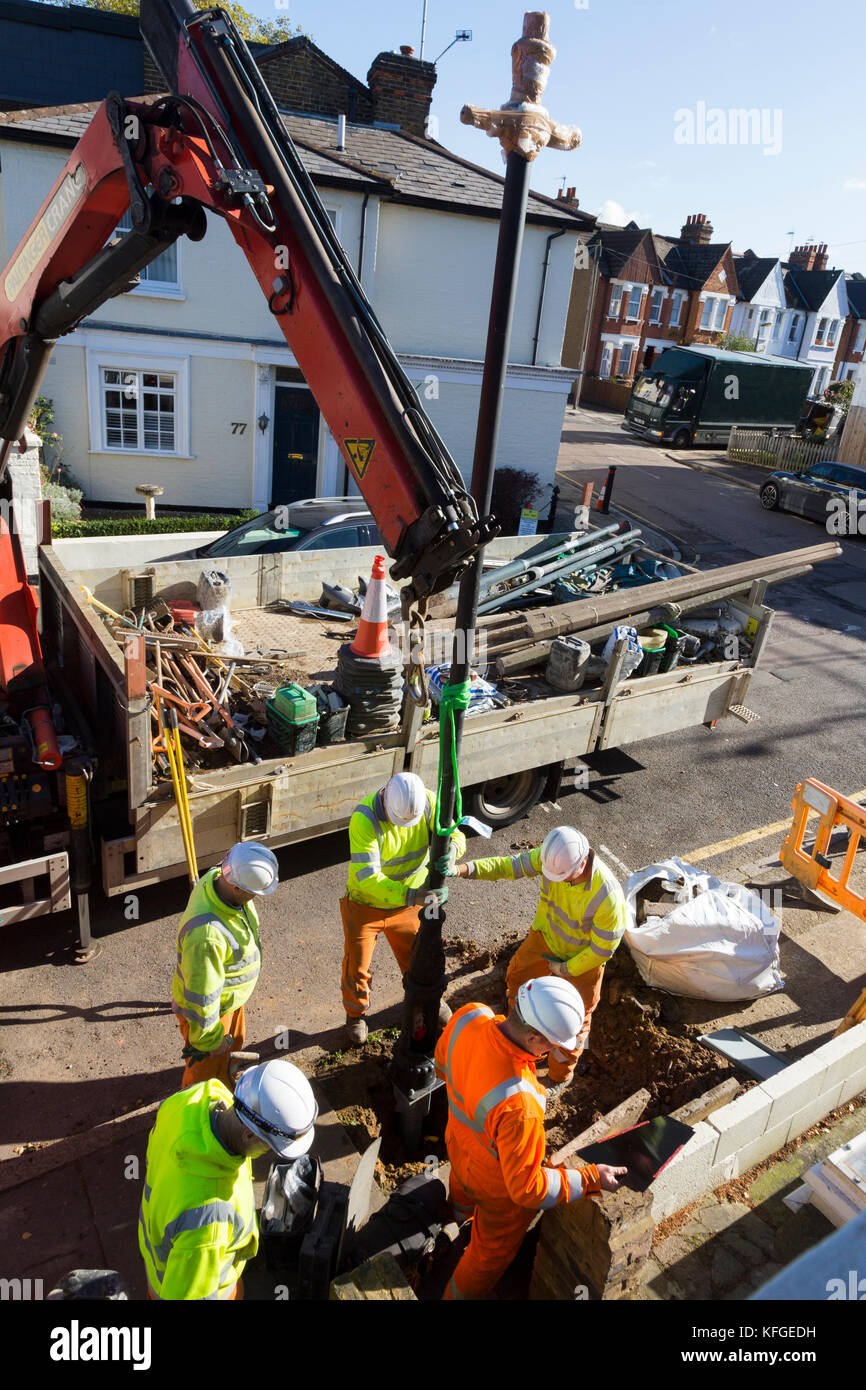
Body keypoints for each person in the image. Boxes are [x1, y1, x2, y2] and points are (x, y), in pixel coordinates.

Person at [434, 977, 626, 1300]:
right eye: (550, 1045)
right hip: (497, 1190)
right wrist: (590, 1179)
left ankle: (454, 1220)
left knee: (462, 1189)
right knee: (487, 1256)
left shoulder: (469, 1015)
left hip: (457, 1146)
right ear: (534, 1036)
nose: (550, 1052)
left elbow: (442, 1067)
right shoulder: (520, 1102)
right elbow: (527, 1189)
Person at [449, 826, 627, 1093]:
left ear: (581, 865)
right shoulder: (553, 857)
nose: (555, 881)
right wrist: (465, 870)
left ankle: (560, 1075)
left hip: (582, 961)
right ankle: (517, 1035)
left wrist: (566, 969)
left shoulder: (608, 898)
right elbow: (510, 866)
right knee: (518, 978)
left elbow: (601, 950)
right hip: (545, 939)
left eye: (562, 878)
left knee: (575, 1022)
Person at [139, 1059, 317, 1300]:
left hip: (178, 1255)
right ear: (248, 1135)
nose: (268, 1154)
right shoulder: (211, 1220)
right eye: (269, 1147)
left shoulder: (196, 1098)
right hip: (202, 1286)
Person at [341, 772, 465, 1045]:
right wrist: (413, 896)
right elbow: (368, 878)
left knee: (418, 959)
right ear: (384, 797)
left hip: (408, 904)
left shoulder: (428, 802)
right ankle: (355, 1015)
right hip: (367, 905)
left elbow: (455, 835)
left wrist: (452, 852)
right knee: (357, 968)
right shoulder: (364, 819)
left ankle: (428, 1003)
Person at [172, 842, 279, 1089]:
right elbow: (201, 997)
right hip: (210, 1017)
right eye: (253, 892)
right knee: (202, 1079)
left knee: (229, 1054)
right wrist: (209, 1041)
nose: (255, 898)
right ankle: (199, 1114)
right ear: (235, 885)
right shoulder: (206, 936)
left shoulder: (217, 879)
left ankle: (224, 1082)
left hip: (229, 1003)